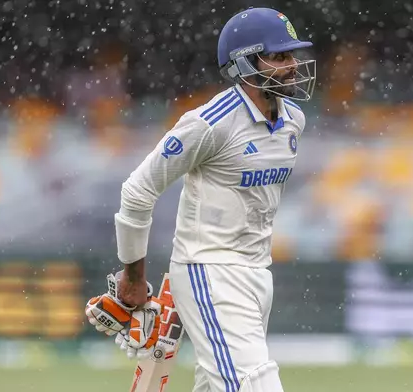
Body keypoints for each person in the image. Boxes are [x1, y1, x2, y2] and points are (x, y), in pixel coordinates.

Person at [85, 7, 316, 392]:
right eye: (279, 57)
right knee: (258, 386)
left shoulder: (294, 120)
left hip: (258, 273)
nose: (293, 65)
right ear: (244, 63)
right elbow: (138, 190)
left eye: (292, 55)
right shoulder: (210, 122)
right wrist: (132, 278)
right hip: (209, 272)